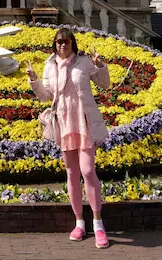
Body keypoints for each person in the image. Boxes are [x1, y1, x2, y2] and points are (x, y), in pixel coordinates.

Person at [27, 26, 110, 248]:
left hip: (84, 122)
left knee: (88, 170)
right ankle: (79, 222)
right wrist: (34, 81)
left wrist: (100, 66)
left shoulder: (84, 62)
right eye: (59, 41)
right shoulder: (49, 66)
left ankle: (98, 222)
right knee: (72, 173)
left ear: (73, 43)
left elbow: (105, 84)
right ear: (54, 45)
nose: (62, 44)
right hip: (64, 123)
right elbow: (46, 97)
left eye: (66, 41)